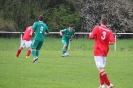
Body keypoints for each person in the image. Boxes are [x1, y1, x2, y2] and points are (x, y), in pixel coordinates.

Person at [89, 17, 115, 88]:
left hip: (98, 50)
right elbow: (112, 42)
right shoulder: (109, 31)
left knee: (100, 68)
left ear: (100, 22)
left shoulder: (97, 28)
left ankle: (109, 84)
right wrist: (106, 43)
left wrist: (90, 34)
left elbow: (91, 37)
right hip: (105, 51)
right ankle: (102, 85)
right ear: (107, 23)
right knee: (100, 68)